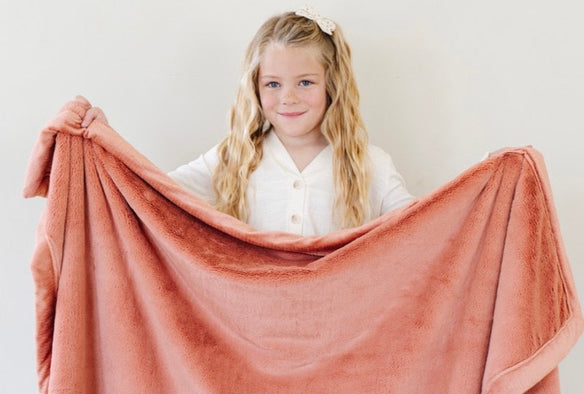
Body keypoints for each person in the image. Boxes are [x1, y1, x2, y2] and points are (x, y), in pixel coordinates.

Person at [81, 6, 414, 236]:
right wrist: (108, 145)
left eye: (305, 82)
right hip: (251, 332)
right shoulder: (234, 158)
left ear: (332, 84)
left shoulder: (370, 164)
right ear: (255, 88)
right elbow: (154, 194)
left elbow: (425, 229)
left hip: (339, 330)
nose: (288, 97)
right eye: (273, 84)